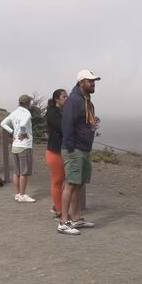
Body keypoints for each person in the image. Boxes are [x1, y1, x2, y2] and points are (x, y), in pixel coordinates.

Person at [58, 70, 101, 235]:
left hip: (83, 147)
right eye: (90, 81)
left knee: (79, 184)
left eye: (94, 81)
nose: (93, 84)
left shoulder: (87, 101)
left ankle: (75, 218)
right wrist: (69, 146)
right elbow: (67, 123)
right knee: (71, 183)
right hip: (74, 148)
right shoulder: (74, 100)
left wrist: (91, 125)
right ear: (82, 82)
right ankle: (63, 221)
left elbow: (81, 122)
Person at [0, 94, 36, 202]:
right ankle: (23, 194)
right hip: (24, 146)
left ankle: (17, 193)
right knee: (24, 172)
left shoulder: (14, 112)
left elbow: (3, 123)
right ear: (28, 103)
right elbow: (23, 124)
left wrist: (12, 133)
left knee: (17, 172)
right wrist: (23, 132)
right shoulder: (27, 113)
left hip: (15, 146)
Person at [45, 89, 68, 217]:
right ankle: (59, 211)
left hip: (61, 150)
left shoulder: (62, 111)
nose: (66, 99)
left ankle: (57, 205)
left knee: (64, 181)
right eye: (64, 97)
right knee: (58, 181)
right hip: (54, 151)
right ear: (56, 99)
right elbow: (62, 127)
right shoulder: (52, 113)